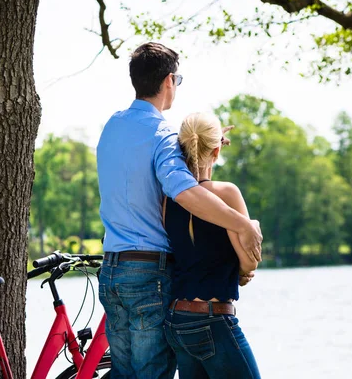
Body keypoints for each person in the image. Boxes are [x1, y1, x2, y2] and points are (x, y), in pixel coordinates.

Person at [96, 42, 262, 379]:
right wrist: (242, 225)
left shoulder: (112, 125)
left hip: (111, 271)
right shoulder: (162, 134)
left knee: (124, 374)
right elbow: (185, 191)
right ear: (169, 81)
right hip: (147, 276)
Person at [163, 112, 261, 379]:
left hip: (177, 320)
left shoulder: (167, 200)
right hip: (212, 319)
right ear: (216, 151)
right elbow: (250, 260)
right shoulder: (226, 193)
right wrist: (251, 229)